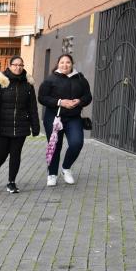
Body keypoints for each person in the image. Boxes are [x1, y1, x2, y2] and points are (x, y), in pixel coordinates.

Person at [0, 55, 40, 193]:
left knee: (16, 154)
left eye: (21, 65)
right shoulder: (1, 80)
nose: (18, 67)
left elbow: (32, 106)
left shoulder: (28, 83)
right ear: (10, 66)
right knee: (1, 154)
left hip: (21, 125)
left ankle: (11, 182)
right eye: (15, 65)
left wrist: (35, 126)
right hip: (2, 126)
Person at [38, 54, 92, 186]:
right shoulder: (50, 80)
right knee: (55, 145)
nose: (65, 65)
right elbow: (42, 98)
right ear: (58, 64)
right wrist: (60, 102)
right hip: (54, 117)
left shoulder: (80, 79)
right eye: (62, 62)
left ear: (72, 64)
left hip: (73, 118)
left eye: (68, 62)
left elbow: (88, 96)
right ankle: (52, 174)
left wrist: (79, 101)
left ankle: (66, 168)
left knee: (76, 143)